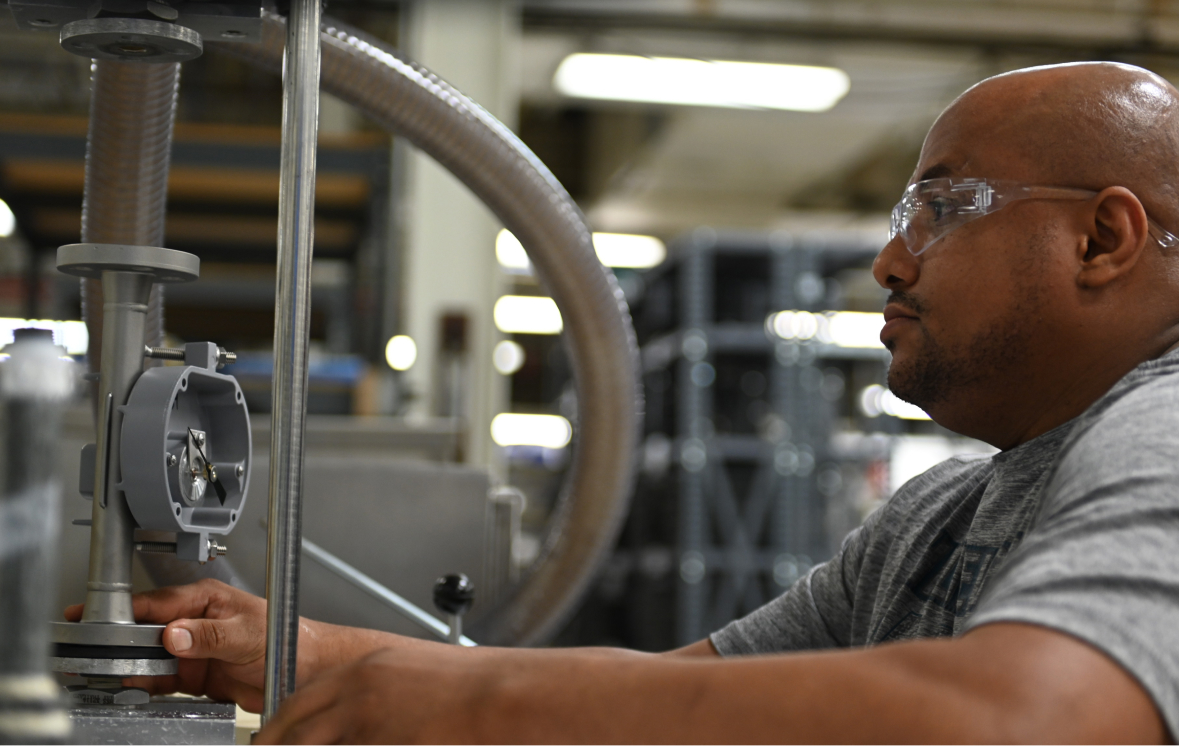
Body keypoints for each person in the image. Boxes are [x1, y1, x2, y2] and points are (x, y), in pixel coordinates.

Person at [65, 60, 1179, 742]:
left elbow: (1041, 719)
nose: (890, 258)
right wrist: (302, 652)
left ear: (1102, 237)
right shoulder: (933, 523)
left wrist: (488, 714)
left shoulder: (1165, 432)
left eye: (940, 206)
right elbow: (676, 694)